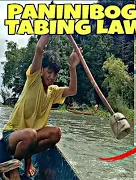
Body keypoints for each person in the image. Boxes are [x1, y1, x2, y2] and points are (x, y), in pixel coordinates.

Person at [2, 35, 81, 179]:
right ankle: (13, 167)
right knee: (30, 134)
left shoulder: (53, 91)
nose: (52, 77)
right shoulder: (34, 80)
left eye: (55, 74)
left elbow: (72, 90)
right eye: (49, 72)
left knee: (56, 133)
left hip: (31, 138)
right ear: (42, 70)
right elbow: (39, 49)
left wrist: (72, 67)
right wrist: (50, 27)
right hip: (12, 135)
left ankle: (27, 158)